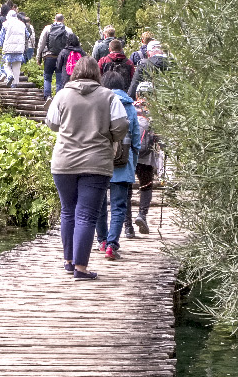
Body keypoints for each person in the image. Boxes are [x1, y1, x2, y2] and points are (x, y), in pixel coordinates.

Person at [45, 55, 128, 279]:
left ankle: (68, 261)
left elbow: (51, 123)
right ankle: (81, 269)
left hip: (63, 162)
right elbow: (121, 126)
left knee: (68, 211)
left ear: (74, 72)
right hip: (96, 162)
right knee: (86, 215)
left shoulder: (62, 95)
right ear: (96, 74)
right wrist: (108, 134)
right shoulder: (108, 97)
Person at [97, 69, 140, 259]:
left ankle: (102, 240)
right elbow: (136, 140)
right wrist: (133, 162)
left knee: (99, 205)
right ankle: (112, 245)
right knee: (119, 206)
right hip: (123, 163)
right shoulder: (130, 107)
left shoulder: (99, 104)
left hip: (99, 161)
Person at [131, 82, 162, 235]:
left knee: (125, 188)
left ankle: (127, 227)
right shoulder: (153, 112)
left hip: (129, 154)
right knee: (146, 186)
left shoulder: (129, 107)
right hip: (147, 156)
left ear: (137, 94)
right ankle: (142, 214)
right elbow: (160, 136)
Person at [38, 13, 76, 97]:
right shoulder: (68, 30)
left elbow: (41, 44)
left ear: (54, 20)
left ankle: (47, 96)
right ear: (63, 20)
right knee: (59, 80)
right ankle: (58, 99)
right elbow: (72, 44)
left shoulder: (47, 28)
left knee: (47, 78)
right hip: (61, 57)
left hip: (49, 57)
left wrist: (39, 57)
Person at [0, 7, 30, 86]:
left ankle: (9, 75)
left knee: (6, 64)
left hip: (8, 49)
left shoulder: (6, 24)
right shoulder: (22, 24)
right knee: (16, 67)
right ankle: (15, 85)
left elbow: (1, 38)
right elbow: (28, 35)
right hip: (19, 49)